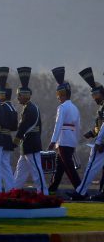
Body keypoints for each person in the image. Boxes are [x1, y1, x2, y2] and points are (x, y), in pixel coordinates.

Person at [69, 68, 104, 201]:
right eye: (93, 95)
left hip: (102, 145)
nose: (94, 98)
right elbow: (98, 127)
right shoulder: (101, 108)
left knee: (91, 167)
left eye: (96, 95)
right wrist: (90, 133)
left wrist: (100, 142)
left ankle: (81, 192)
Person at [12, 67, 47, 194]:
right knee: (20, 171)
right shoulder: (32, 107)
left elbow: (23, 127)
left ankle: (43, 193)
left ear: (25, 95)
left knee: (36, 171)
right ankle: (14, 190)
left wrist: (15, 142)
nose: (18, 98)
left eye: (19, 96)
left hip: (30, 144)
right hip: (28, 144)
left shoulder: (29, 109)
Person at [47, 67, 82, 195]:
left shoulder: (61, 107)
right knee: (59, 168)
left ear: (62, 94)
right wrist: (75, 142)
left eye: (58, 95)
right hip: (71, 140)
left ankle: (80, 190)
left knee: (68, 168)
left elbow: (58, 125)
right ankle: (51, 189)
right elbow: (78, 127)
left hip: (62, 140)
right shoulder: (75, 108)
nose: (58, 98)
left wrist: (53, 141)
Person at [0, 67, 19, 191]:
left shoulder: (2, 107)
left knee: (3, 165)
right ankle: (8, 188)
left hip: (1, 138)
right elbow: (14, 126)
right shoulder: (12, 107)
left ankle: (10, 188)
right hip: (8, 138)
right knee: (4, 164)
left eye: (0, 93)